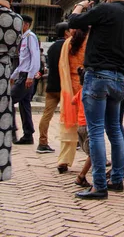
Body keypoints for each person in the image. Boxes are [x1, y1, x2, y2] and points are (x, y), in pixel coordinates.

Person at [69, 0, 124, 200]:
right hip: (119, 78)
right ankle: (116, 179)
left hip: (98, 75)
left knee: (96, 131)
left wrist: (80, 6)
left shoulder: (105, 8)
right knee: (115, 130)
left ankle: (99, 185)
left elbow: (74, 22)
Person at [0, 0, 22, 180]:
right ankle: (2, 168)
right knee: (3, 120)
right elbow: (15, 49)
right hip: (3, 73)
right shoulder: (17, 20)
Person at [37, 22, 71, 154]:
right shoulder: (68, 46)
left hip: (51, 85)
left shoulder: (51, 48)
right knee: (69, 115)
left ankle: (42, 142)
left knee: (47, 115)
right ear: (66, 33)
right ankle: (74, 141)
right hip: (65, 86)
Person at [57, 28, 88, 174]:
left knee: (69, 123)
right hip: (86, 86)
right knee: (89, 125)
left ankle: (64, 159)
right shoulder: (90, 42)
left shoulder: (68, 43)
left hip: (70, 86)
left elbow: (62, 65)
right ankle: (94, 157)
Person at [11, 14, 40, 145]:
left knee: (7, 101)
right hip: (23, 75)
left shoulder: (30, 37)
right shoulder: (23, 39)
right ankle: (28, 135)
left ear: (26, 25)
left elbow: (35, 58)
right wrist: (13, 76)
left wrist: (30, 76)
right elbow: (23, 62)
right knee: (24, 105)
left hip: (26, 77)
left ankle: (11, 130)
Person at [73, 67, 91, 189]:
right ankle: (81, 176)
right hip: (88, 126)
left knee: (91, 153)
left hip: (80, 126)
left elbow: (72, 101)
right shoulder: (91, 92)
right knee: (94, 154)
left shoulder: (81, 91)